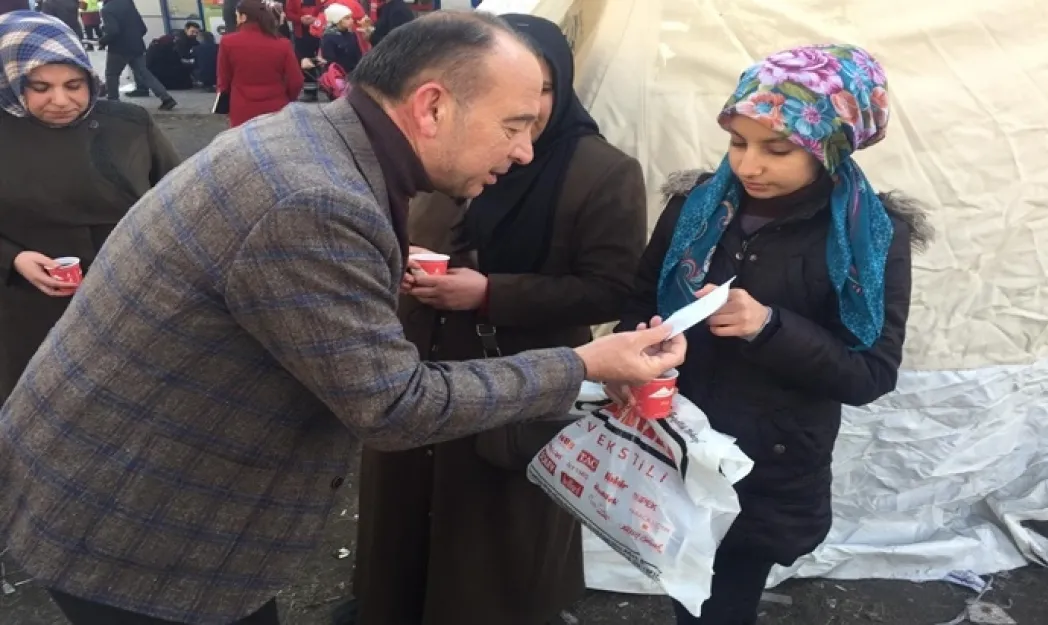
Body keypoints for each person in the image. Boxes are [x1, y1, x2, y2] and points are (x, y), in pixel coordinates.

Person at [0, 11, 686, 625]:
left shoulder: (312, 137)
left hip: (126, 484)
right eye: (514, 125)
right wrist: (584, 365)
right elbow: (392, 405)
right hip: (139, 528)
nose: (525, 150)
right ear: (432, 106)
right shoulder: (317, 200)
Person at [613, 44, 932, 625]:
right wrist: (637, 352)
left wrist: (769, 327)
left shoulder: (870, 239)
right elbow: (640, 303)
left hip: (763, 467)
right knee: (684, 586)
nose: (747, 165)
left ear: (830, 148)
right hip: (675, 442)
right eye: (737, 141)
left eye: (776, 149)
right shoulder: (696, 211)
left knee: (722, 602)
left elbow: (870, 374)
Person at [351, 13, 647, 625]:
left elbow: (612, 289)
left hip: (521, 380)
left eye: (542, 87)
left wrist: (491, 293)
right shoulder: (443, 146)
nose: (531, 110)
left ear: (561, 84)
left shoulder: (601, 171)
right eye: (517, 93)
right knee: (404, 515)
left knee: (495, 536)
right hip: (417, 365)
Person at [0, 11, 180, 403]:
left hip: (132, 292)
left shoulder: (129, 124)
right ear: (11, 81)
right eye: (41, 87)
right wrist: (13, 258)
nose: (61, 101)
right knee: (46, 404)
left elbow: (180, 197)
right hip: (31, 304)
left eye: (74, 84)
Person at [216, 0, 302, 127]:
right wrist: (288, 98)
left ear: (244, 17)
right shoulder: (283, 44)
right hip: (276, 106)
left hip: (241, 106)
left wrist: (225, 105)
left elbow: (223, 81)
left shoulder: (228, 42)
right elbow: (296, 81)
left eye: (237, 15)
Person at [100, 0, 177, 109]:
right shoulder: (128, 3)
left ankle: (113, 101)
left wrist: (102, 41)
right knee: (144, 73)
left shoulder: (106, 9)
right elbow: (143, 28)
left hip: (119, 48)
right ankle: (166, 98)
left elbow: (113, 31)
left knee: (112, 74)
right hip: (136, 45)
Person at [285, 0, 323, 99]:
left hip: (318, 32)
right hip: (301, 34)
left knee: (319, 59)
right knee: (303, 60)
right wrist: (300, 19)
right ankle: (309, 91)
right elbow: (288, 13)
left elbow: (325, 9)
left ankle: (325, 86)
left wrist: (316, 19)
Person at [319, 3, 361, 73]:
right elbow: (330, 61)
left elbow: (358, 55)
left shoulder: (351, 34)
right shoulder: (328, 37)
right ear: (337, 20)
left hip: (354, 73)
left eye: (351, 17)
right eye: (347, 18)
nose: (351, 20)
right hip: (338, 75)